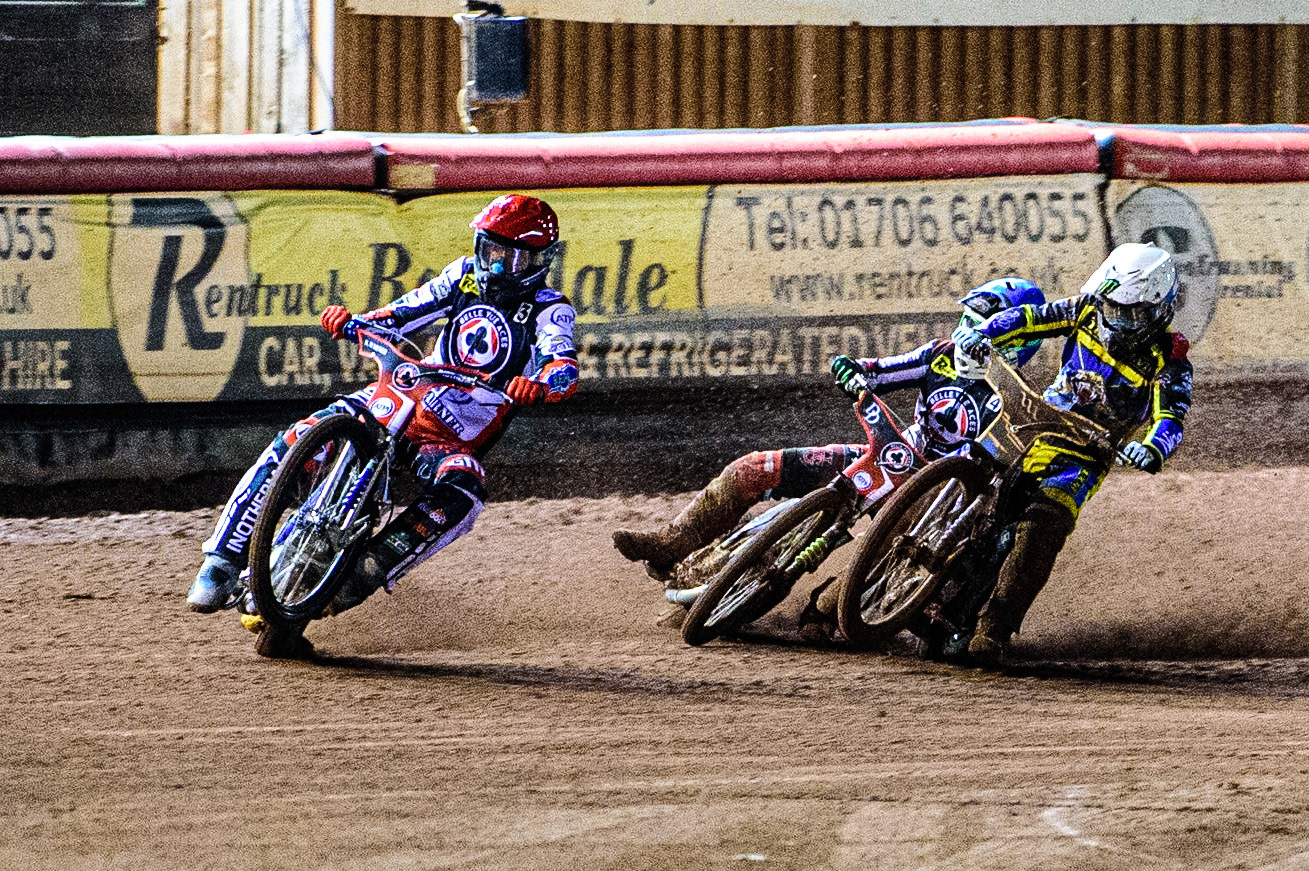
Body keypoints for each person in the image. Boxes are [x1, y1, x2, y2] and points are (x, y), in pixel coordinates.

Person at [186, 194, 579, 656]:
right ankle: (222, 560)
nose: (495, 264)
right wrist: (355, 323)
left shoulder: (551, 309)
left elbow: (563, 364)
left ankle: (361, 574)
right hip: (401, 393)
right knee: (300, 436)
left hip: (450, 436)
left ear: (537, 261)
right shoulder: (463, 276)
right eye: (489, 248)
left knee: (465, 491)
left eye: (509, 256)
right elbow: (403, 312)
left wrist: (541, 384)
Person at [611, 277, 1048, 634]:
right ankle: (672, 542)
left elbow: (1010, 469)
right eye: (964, 323)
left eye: (977, 328)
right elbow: (881, 370)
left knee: (844, 598)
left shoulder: (1020, 403)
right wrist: (853, 370)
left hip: (935, 504)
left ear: (1014, 343)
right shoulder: (939, 357)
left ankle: (825, 604)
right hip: (889, 454)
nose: (963, 335)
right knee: (751, 469)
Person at [951, 241, 1192, 666]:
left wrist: (1152, 448)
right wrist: (983, 333)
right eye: (1111, 306)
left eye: (1129, 312)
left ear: (1159, 309)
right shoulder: (1085, 309)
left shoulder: (1170, 362)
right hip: (1036, 416)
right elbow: (1029, 318)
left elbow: (1171, 418)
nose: (1115, 318)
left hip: (1088, 452)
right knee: (964, 466)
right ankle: (853, 582)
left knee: (1046, 522)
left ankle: (994, 629)